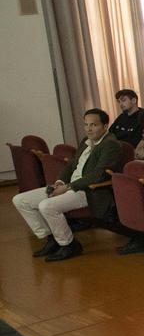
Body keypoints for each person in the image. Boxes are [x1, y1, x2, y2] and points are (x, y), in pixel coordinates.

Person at [13, 108, 120, 261]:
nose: (88, 129)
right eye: (86, 125)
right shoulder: (86, 141)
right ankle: (51, 239)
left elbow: (98, 174)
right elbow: (71, 165)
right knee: (20, 200)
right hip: (69, 185)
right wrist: (59, 182)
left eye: (93, 125)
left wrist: (68, 187)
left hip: (88, 191)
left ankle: (68, 245)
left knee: (46, 206)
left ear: (104, 126)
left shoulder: (110, 144)